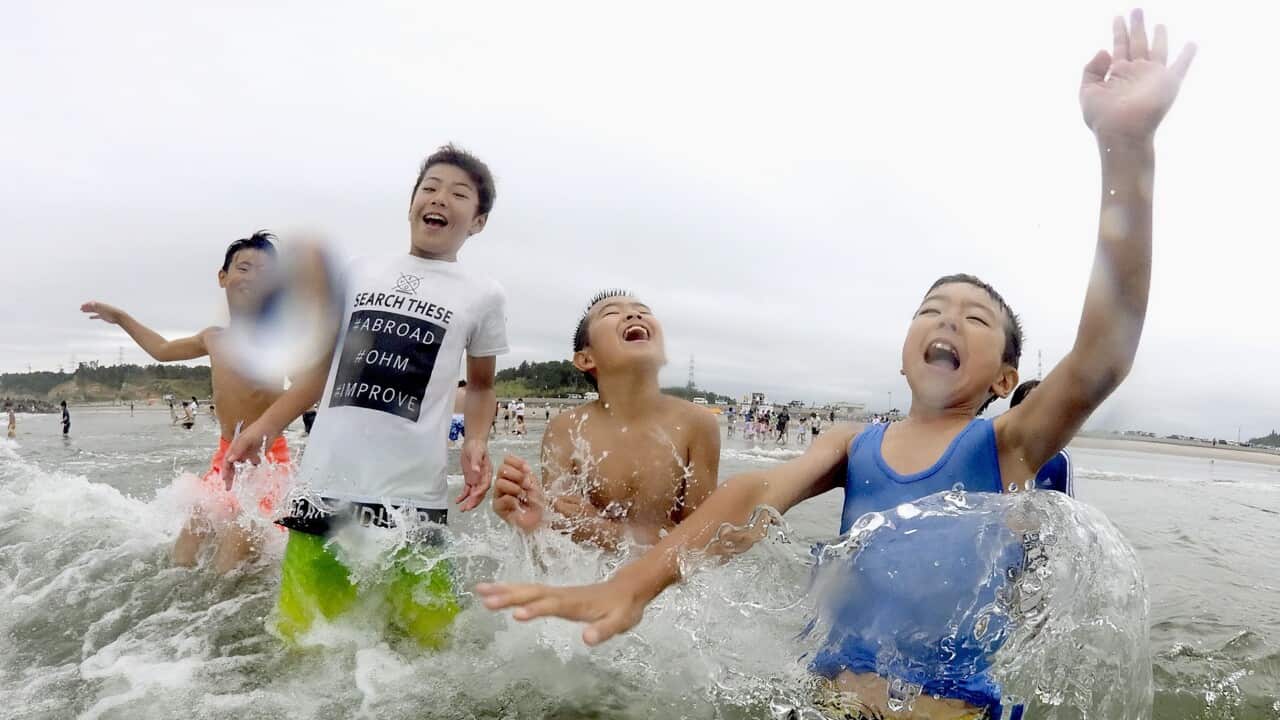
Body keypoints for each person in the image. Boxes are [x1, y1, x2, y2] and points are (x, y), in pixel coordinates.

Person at [479, 15, 1193, 717]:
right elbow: (752, 498)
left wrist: (1126, 152)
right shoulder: (854, 445)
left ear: (1004, 380)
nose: (948, 318)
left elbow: (1103, 355)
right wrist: (635, 581)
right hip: (828, 705)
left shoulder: (1004, 445)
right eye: (931, 307)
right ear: (906, 349)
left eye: (975, 319)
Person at [226, 144, 506, 648]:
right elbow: (320, 371)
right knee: (305, 645)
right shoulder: (358, 272)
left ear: (478, 221)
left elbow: (482, 385)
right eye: (430, 188)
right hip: (327, 484)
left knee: (433, 650)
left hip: (413, 498)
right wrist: (265, 428)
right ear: (412, 203)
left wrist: (476, 442)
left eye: (458, 194)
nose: (439, 198)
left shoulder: (483, 294)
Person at [81, 231, 292, 573]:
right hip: (225, 458)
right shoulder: (213, 338)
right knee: (184, 549)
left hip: (266, 461)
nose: (253, 277)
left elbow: (309, 388)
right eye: (244, 267)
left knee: (231, 558)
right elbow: (162, 351)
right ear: (223, 277)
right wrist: (121, 318)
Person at [493, 291, 720, 550]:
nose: (634, 314)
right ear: (586, 359)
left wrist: (596, 526)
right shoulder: (566, 429)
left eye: (643, 311)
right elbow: (562, 532)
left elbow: (698, 541)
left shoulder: (697, 424)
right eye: (612, 312)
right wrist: (533, 519)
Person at [1009, 380, 1074, 496]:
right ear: (1014, 409)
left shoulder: (1059, 458)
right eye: (1031, 404)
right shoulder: (996, 449)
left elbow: (1068, 507)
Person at [450, 380, 467, 448]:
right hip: (463, 418)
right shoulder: (466, 392)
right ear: (465, 385)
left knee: (451, 441)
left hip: (453, 418)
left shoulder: (452, 393)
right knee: (467, 439)